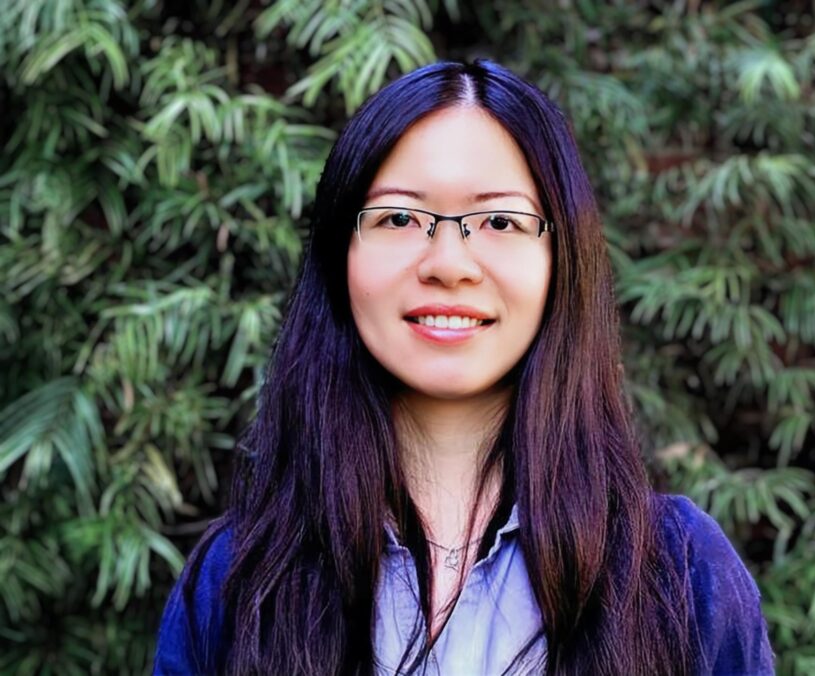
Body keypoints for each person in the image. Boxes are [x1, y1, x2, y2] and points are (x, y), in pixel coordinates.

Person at [154, 59, 773, 675]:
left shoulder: (680, 575)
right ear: (338, 257)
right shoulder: (236, 583)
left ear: (563, 260)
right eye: (399, 218)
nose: (449, 263)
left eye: (499, 220)